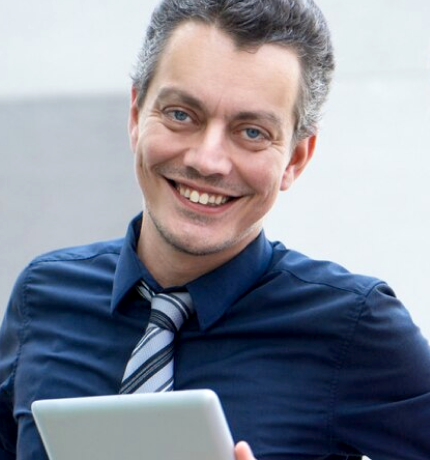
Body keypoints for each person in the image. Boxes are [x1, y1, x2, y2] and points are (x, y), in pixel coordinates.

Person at [1, 0, 429, 458]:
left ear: (296, 158)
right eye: (181, 114)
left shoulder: (355, 329)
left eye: (251, 132)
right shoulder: (43, 296)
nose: (206, 160)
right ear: (135, 115)